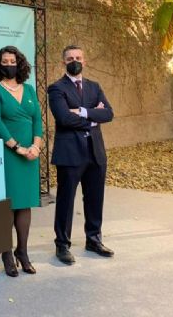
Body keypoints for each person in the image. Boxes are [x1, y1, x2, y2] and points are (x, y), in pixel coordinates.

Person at [48, 45, 114, 265]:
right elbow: (64, 118)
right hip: (70, 153)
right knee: (66, 200)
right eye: (69, 58)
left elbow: (109, 114)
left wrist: (83, 112)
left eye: (78, 57)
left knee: (95, 198)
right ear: (63, 62)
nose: (74, 61)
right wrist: (94, 117)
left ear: (84, 61)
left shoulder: (95, 87)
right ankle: (62, 245)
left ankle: (94, 240)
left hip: (95, 152)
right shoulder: (56, 88)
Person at [0, 46, 43, 277]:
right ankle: (6, 253)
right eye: (5, 62)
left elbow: (37, 119)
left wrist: (36, 146)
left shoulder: (29, 89)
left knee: (25, 203)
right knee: (9, 204)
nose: (9, 65)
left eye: (13, 61)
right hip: (9, 153)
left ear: (20, 64)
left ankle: (23, 252)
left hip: (31, 153)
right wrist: (17, 147)